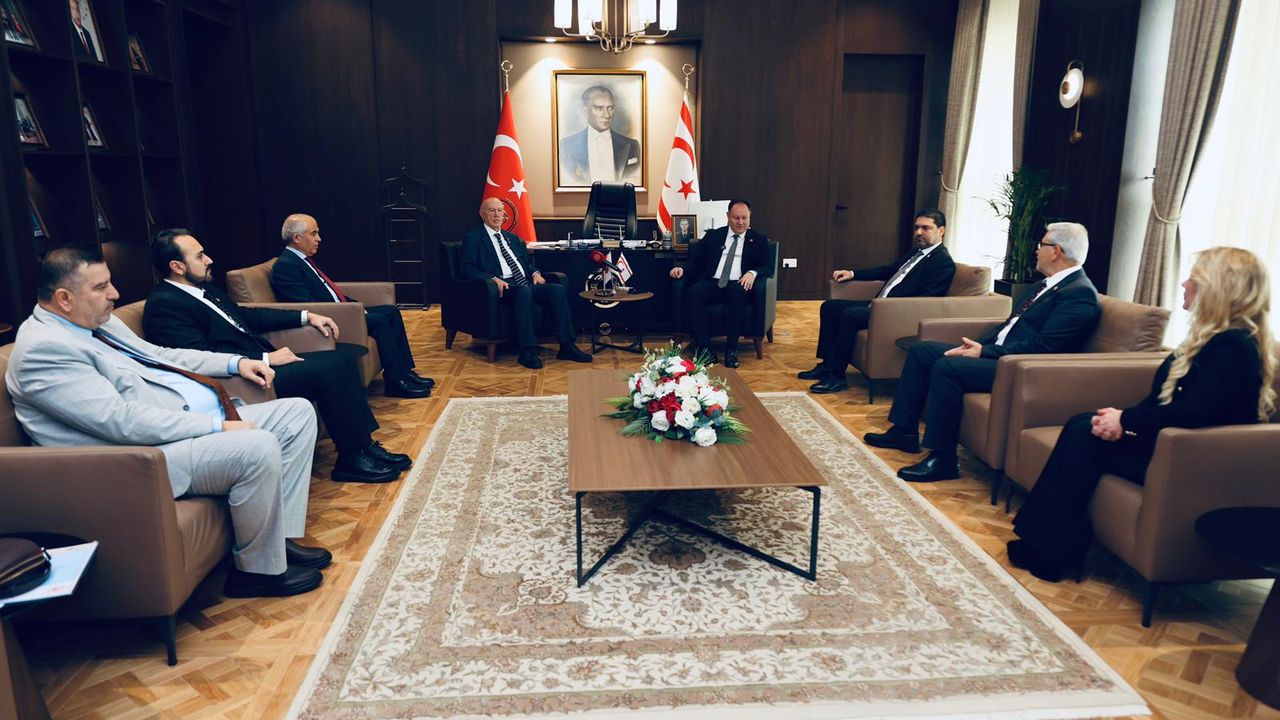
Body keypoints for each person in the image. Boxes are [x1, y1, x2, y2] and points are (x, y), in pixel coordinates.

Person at [5, 247, 329, 598]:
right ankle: (258, 573)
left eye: (110, 282)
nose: (114, 294)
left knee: (295, 414)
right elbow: (119, 421)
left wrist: (235, 362)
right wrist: (215, 427)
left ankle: (276, 543)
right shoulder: (43, 350)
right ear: (64, 298)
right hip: (138, 458)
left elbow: (160, 355)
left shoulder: (97, 322)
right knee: (257, 445)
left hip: (178, 426)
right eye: (100, 287)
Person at [1009, 247, 1275, 581]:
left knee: (1082, 433)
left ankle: (1053, 549)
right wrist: (1121, 421)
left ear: (1218, 288)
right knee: (1083, 424)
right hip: (1172, 445)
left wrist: (1126, 421)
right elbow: (1163, 399)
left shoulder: (1234, 346)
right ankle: (1049, 544)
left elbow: (1194, 413)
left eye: (1193, 279)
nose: (1184, 284)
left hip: (1193, 460)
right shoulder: (1214, 338)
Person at [144, 229, 412, 484]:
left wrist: (306, 316)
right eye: (200, 256)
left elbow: (246, 315)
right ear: (177, 266)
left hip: (260, 365)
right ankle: (352, 459)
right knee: (336, 365)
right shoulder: (165, 304)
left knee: (342, 359)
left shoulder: (204, 288)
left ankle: (363, 446)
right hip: (242, 379)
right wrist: (265, 358)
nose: (209, 260)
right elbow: (198, 357)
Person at [864, 222, 1102, 482]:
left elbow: (1046, 346)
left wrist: (985, 351)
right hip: (1000, 355)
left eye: (1041, 245)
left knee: (948, 367)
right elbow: (1009, 325)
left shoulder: (1078, 293)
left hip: (1020, 368)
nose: (1036, 250)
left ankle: (944, 459)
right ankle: (904, 432)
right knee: (923, 351)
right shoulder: (1048, 284)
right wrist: (977, 345)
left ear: (1056, 251)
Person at [269, 213, 434, 399]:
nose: (319, 239)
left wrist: (355, 306)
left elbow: (328, 292)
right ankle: (396, 383)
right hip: (330, 319)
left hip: (341, 311)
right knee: (379, 320)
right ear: (296, 238)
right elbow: (305, 305)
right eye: (313, 234)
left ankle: (404, 371)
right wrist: (348, 312)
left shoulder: (302, 260)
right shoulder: (286, 266)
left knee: (391, 311)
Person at [803, 209, 957, 393]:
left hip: (894, 313)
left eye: (925, 228)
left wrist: (890, 306)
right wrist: (852, 273)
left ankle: (837, 376)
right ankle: (827, 365)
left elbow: (929, 298)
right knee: (829, 307)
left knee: (851, 315)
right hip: (879, 305)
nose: (918, 232)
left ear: (941, 230)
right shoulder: (917, 252)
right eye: (917, 227)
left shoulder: (943, 262)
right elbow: (888, 270)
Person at [460, 198, 593, 369]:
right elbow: (468, 269)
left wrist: (535, 273)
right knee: (524, 291)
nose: (497, 215)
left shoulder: (512, 238)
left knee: (556, 290)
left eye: (500, 211)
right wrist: (493, 279)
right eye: (492, 210)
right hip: (501, 287)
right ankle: (526, 350)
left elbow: (525, 264)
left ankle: (567, 346)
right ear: (482, 214)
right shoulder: (474, 238)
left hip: (523, 283)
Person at [668, 199, 772, 368]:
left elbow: (767, 267)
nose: (740, 222)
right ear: (728, 216)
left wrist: (752, 273)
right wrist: (682, 269)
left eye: (744, 218)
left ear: (750, 217)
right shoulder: (714, 236)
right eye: (736, 218)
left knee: (736, 292)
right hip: (713, 282)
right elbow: (696, 260)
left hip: (738, 284)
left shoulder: (759, 240)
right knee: (694, 292)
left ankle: (732, 349)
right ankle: (705, 348)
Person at [558, 85, 641, 185]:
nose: (607, 115)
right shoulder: (567, 145)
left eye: (610, 108)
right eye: (599, 108)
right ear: (585, 112)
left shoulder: (632, 145)